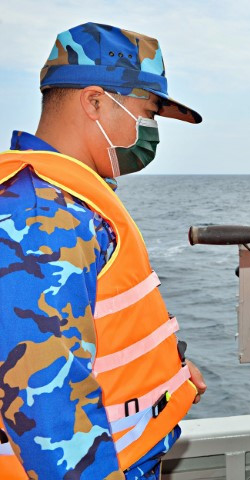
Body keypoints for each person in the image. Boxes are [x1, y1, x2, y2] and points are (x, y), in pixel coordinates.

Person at [0, 23, 206, 479]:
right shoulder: (37, 216)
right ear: (94, 101)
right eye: (146, 112)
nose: (150, 131)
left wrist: (168, 370)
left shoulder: (69, 203)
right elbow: (44, 405)